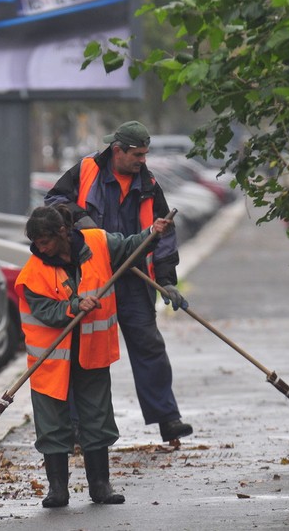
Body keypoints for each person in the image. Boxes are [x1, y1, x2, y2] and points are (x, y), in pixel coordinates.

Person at [44, 120, 194, 444]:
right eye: (137, 154)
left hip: (134, 280)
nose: (143, 160)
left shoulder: (150, 185)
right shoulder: (85, 171)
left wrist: (168, 281)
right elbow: (54, 201)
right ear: (117, 151)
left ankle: (168, 419)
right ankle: (76, 429)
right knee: (86, 355)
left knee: (149, 347)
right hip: (92, 279)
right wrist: (80, 220)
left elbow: (164, 236)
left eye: (145, 154)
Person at [15, 204, 173, 508]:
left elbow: (129, 248)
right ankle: (57, 490)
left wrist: (151, 234)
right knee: (52, 424)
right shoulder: (33, 272)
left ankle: (100, 486)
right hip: (50, 359)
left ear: (62, 232)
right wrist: (73, 307)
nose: (40, 248)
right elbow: (45, 310)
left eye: (45, 241)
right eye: (35, 243)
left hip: (91, 351)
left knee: (96, 419)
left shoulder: (98, 243)